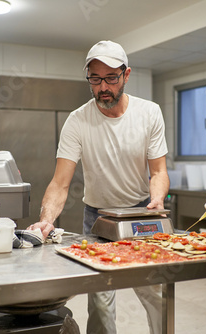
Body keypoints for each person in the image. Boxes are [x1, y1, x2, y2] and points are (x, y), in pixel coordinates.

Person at [28, 40, 169, 334]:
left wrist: (157, 198)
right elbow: (60, 182)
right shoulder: (78, 120)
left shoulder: (149, 113)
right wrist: (46, 219)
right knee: (102, 304)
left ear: (126, 75)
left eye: (111, 78)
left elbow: (158, 171)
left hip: (140, 216)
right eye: (95, 79)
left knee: (156, 295)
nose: (103, 87)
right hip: (98, 218)